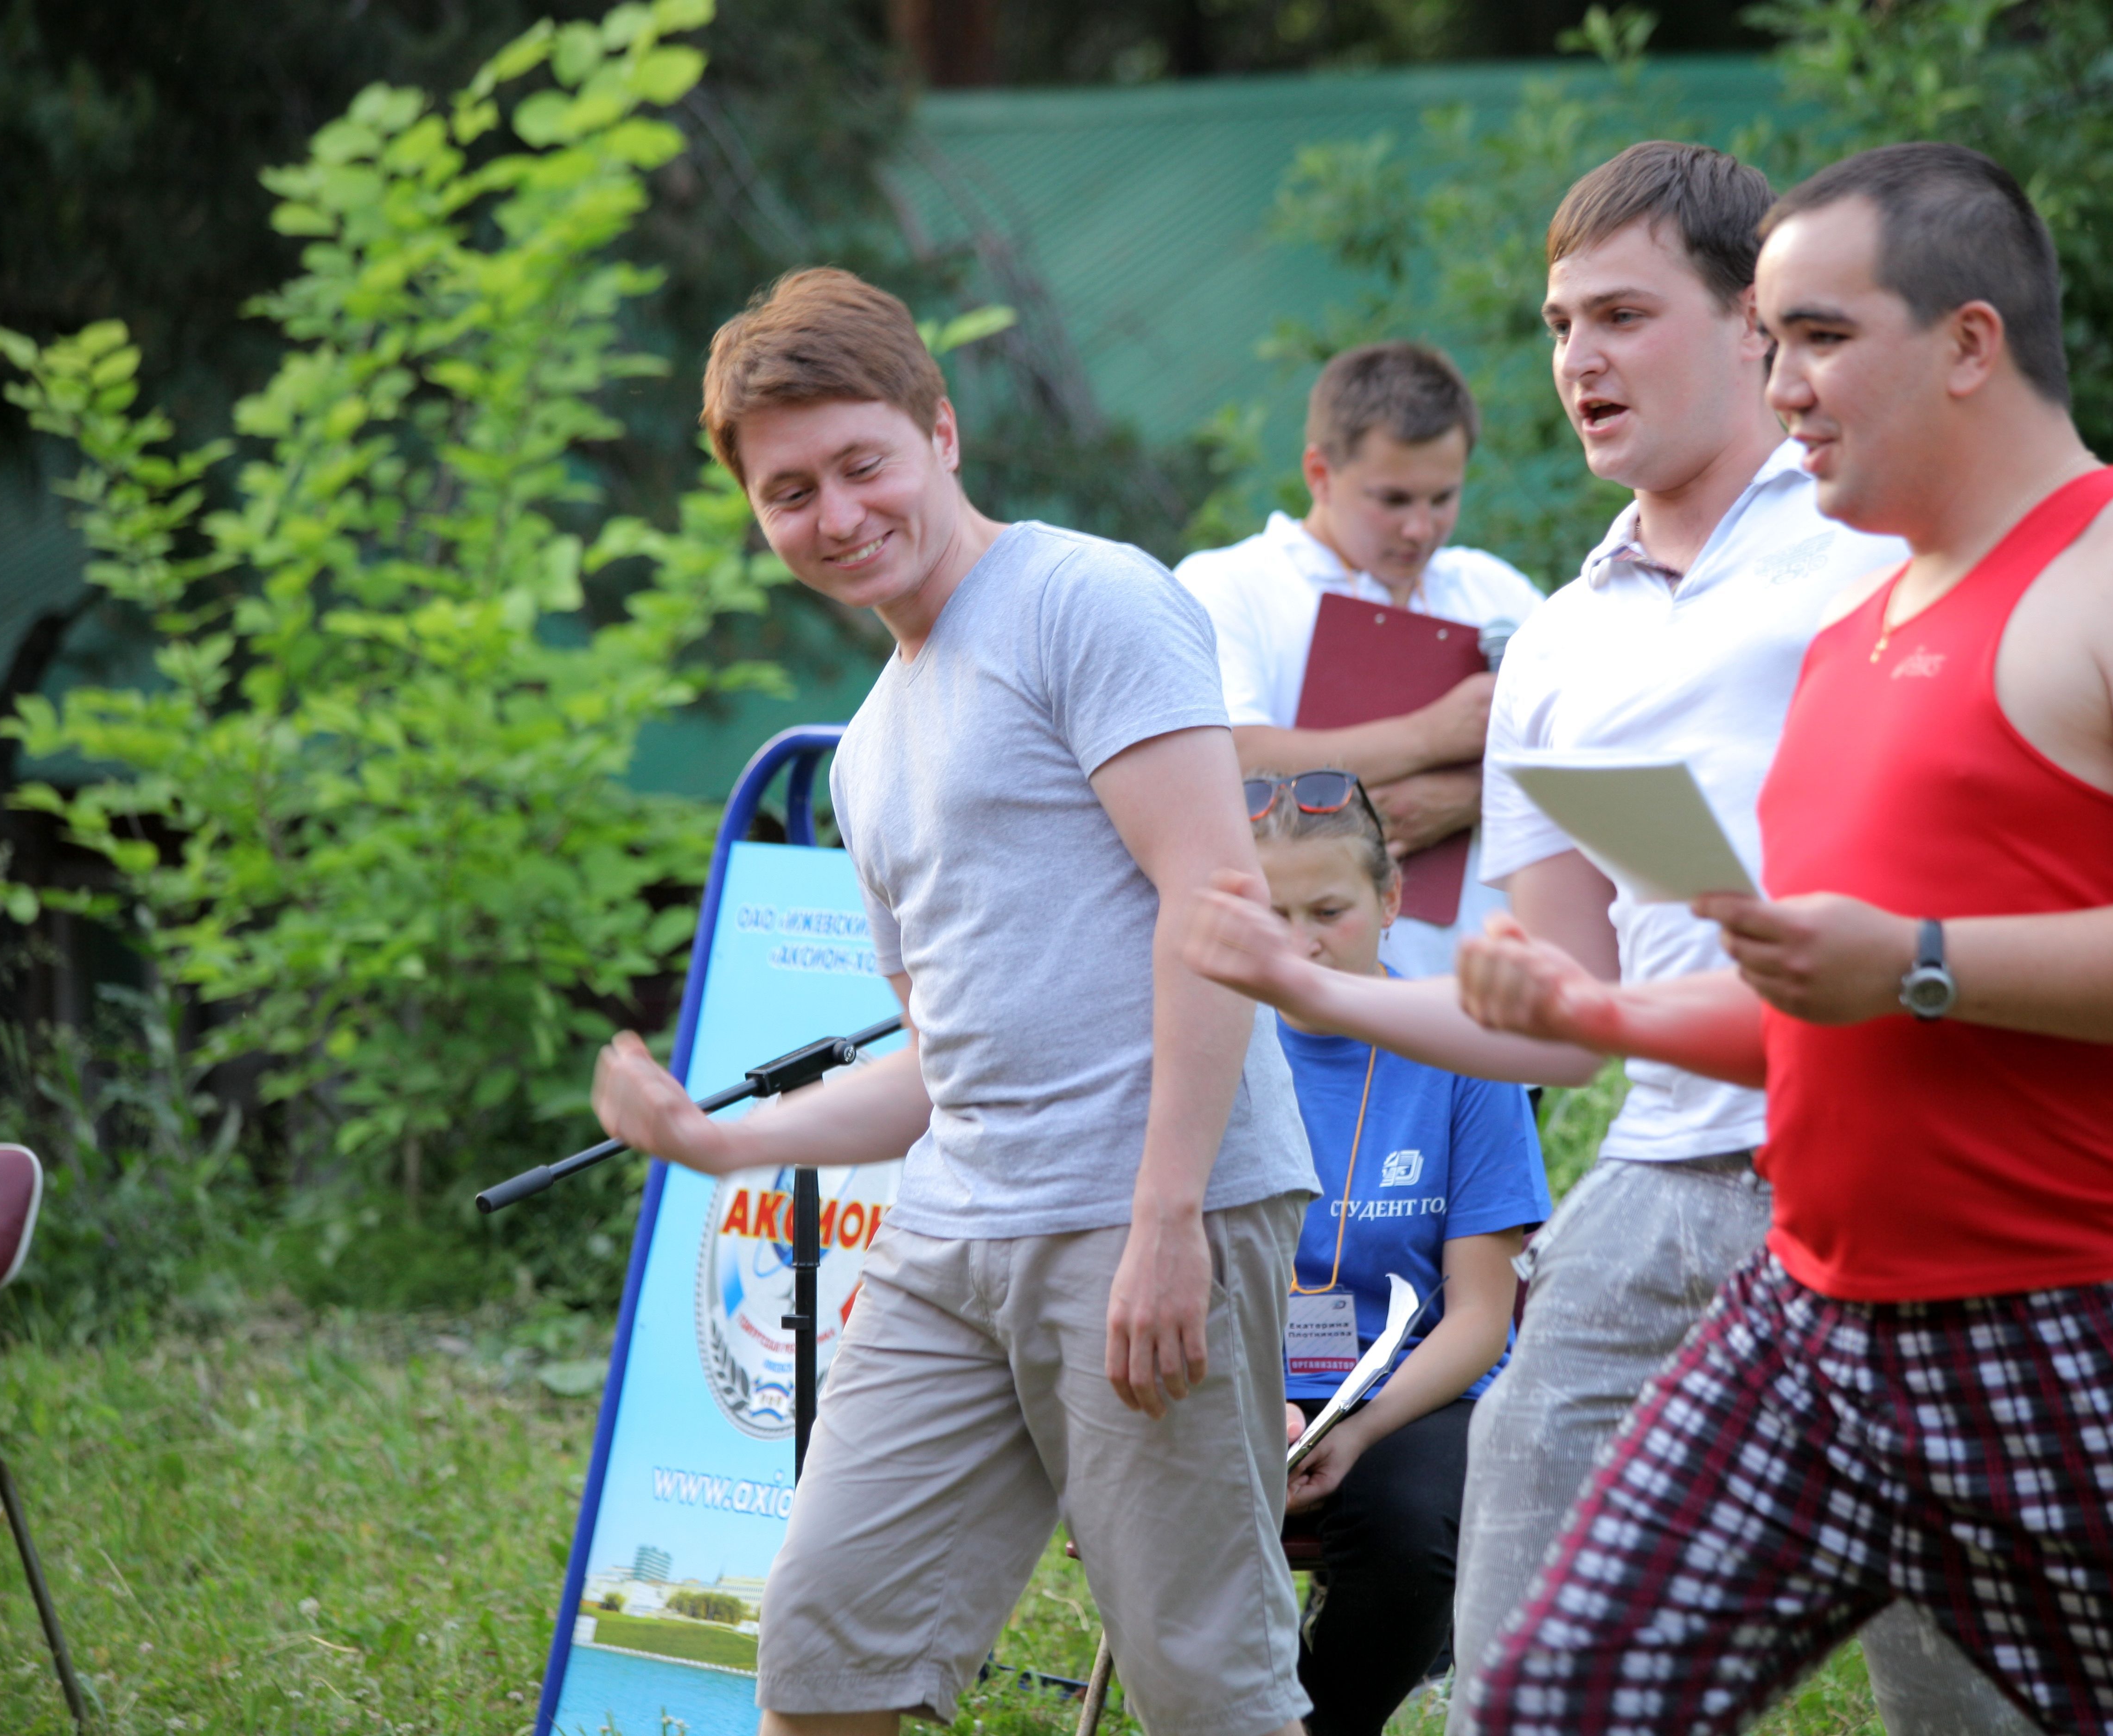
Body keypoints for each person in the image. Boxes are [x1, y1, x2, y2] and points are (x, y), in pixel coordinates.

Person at [1452, 142, 2113, 1733]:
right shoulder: (1857, 635)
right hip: (1811, 1314)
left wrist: (1919, 960)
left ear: (1966, 343)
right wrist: (1596, 1013)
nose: (1780, 381)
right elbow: (1823, 998)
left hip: (2097, 1324)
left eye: (1818, 336)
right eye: (1773, 339)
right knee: (1550, 1701)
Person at [1186, 143, 2030, 1734]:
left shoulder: (1879, 556)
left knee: (1961, 1696)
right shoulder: (1560, 639)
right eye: (1559, 323)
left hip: (1901, 1172)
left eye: (1623, 315)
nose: (1579, 357)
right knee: (1523, 1657)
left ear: (1752, 327)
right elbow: (1560, 1020)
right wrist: (1305, 979)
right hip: (1654, 1180)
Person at [588, 268, 1320, 1736]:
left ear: (942, 431)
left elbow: (1216, 907)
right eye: (791, 492)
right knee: (820, 1655)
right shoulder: (866, 750)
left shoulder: (1085, 600)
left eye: (863, 463)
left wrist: (1168, 1220)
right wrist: (722, 1143)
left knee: (1202, 1683)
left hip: (1143, 1213)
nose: (838, 514)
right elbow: (940, 1060)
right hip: (953, 1237)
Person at [1240, 767, 1551, 1736]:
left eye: (1328, 911)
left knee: (1412, 1537)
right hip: (1236, 1384)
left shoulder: (1463, 1050)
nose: (1299, 943)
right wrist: (1255, 1405)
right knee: (1181, 1527)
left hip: (1412, 1393)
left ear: (1390, 900)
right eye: (1270, 914)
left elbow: (1481, 1317)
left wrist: (1357, 1431)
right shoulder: (1210, 1043)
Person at [1178, 342, 1542, 978]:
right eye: (1393, 500)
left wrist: (1470, 797)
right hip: (1301, 987)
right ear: (1319, 473)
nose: (1420, 528)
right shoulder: (1228, 585)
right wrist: (1433, 736)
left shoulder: (1493, 589)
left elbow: (1599, 751)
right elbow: (1224, 760)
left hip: (1484, 986)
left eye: (1443, 497)